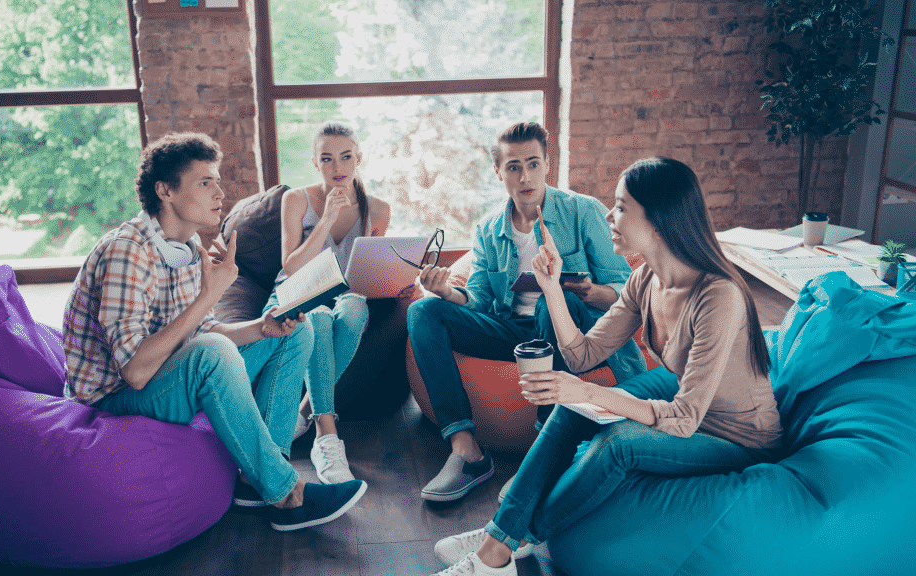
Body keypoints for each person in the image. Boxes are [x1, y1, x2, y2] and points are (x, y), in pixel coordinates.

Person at [430, 157, 783, 576]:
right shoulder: (646, 279)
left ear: (658, 220)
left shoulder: (718, 296)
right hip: (691, 412)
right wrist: (551, 289)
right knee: (571, 409)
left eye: (620, 207)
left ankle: (502, 546)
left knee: (616, 442)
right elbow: (582, 355)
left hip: (738, 438)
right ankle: (500, 538)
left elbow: (685, 419)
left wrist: (590, 393)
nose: (607, 216)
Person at [62, 132, 366, 532]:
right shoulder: (127, 252)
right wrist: (210, 294)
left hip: (167, 375)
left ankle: (259, 477)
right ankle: (287, 494)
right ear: (165, 191)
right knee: (211, 352)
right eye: (205, 182)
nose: (220, 192)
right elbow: (135, 372)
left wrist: (263, 326)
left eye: (217, 180)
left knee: (295, 331)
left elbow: (208, 330)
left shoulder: (186, 247)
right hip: (115, 399)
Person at [408, 121, 646, 503]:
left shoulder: (583, 212)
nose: (525, 176)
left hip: (567, 333)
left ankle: (543, 451)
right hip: (509, 331)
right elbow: (481, 300)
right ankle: (465, 450)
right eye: (514, 167)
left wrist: (590, 292)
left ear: (547, 165)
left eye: (533, 164)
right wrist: (447, 293)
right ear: (498, 172)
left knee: (558, 302)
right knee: (424, 312)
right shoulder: (488, 228)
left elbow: (627, 291)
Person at [253, 120, 392, 485]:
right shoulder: (295, 199)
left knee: (356, 308)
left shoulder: (377, 209)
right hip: (297, 292)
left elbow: (368, 271)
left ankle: (306, 409)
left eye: (346, 157)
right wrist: (328, 215)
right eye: (327, 159)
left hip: (346, 294)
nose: (337, 168)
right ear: (315, 163)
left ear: (358, 158)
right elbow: (291, 266)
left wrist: (396, 283)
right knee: (318, 317)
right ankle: (326, 435)